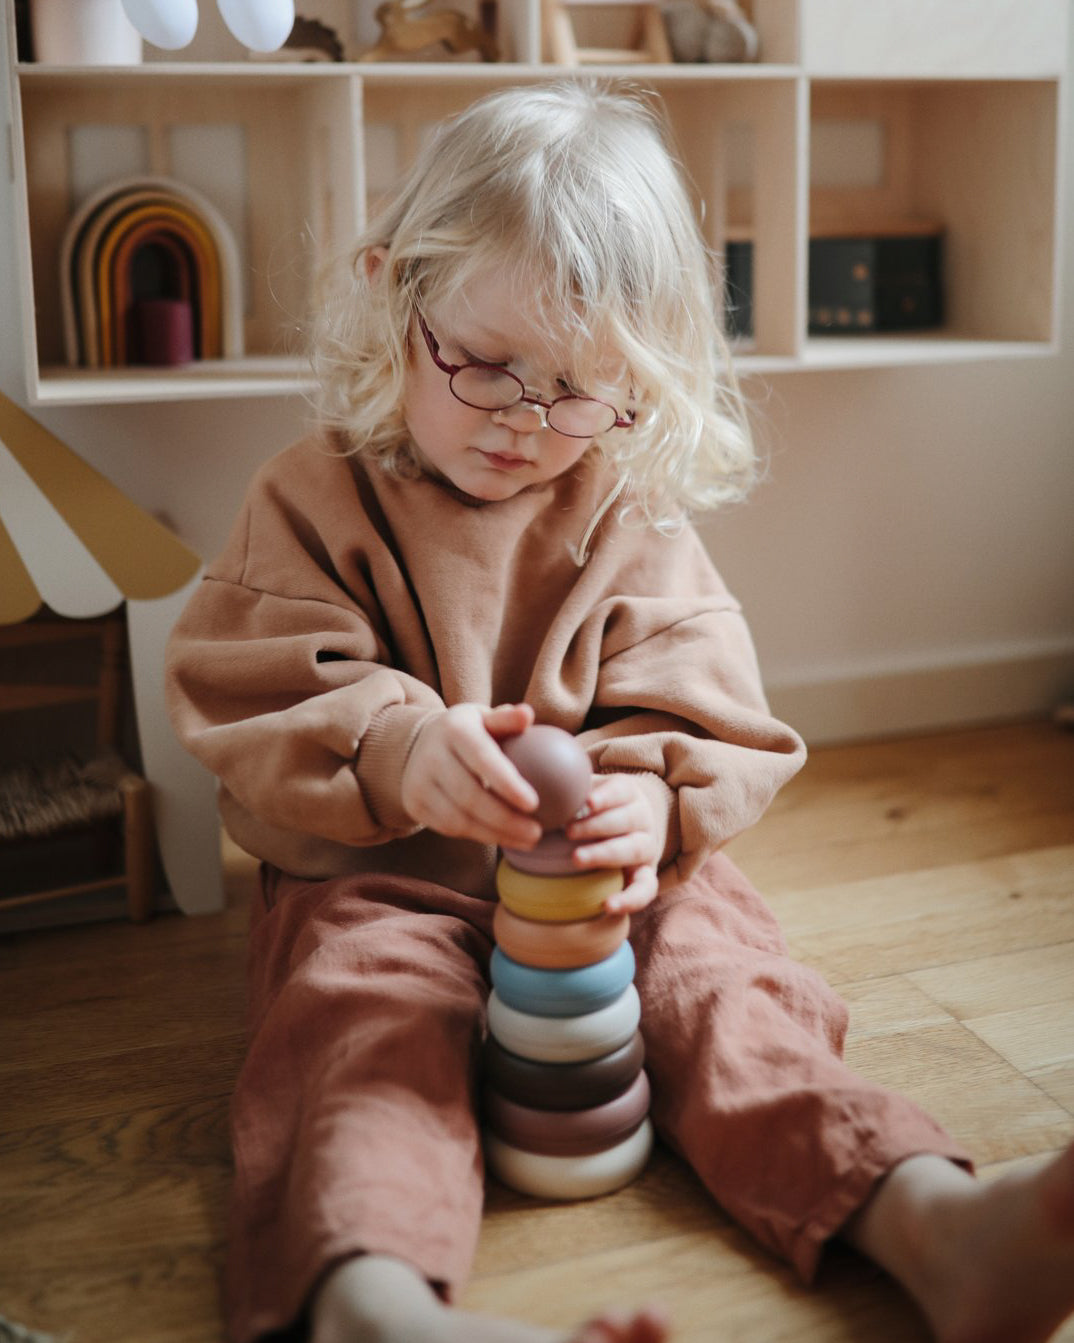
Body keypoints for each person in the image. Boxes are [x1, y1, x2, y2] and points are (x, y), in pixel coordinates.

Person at [164, 81, 1074, 1343]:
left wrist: (653, 795)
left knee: (732, 987)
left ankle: (932, 1218)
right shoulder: (313, 499)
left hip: (606, 889)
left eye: (581, 387)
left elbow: (706, 707)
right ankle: (370, 1302)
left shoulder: (623, 515)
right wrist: (405, 748)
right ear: (390, 291)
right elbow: (244, 678)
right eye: (484, 365)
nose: (528, 422)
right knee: (358, 1035)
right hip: (379, 877)